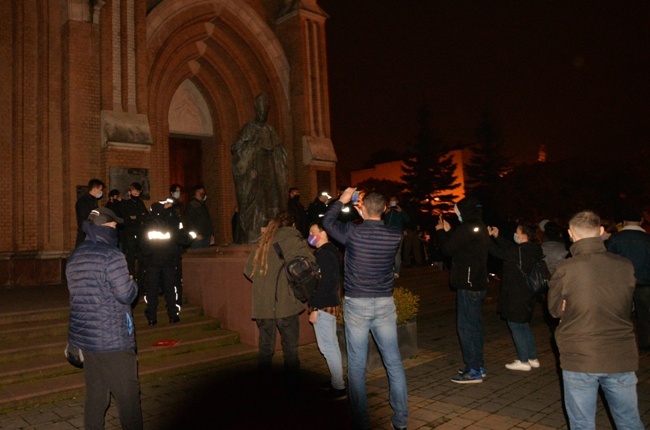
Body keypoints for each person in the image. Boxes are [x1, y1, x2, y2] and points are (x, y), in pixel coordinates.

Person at [548, 210, 644, 429]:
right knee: (629, 421)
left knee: (582, 423)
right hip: (620, 354)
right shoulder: (625, 266)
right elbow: (626, 305)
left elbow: (555, 310)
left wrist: (568, 304)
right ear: (601, 232)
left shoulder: (567, 268)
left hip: (580, 356)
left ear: (571, 234)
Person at [323, 188, 408, 430]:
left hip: (357, 304)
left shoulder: (352, 233)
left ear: (362, 208)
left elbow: (328, 222)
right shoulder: (394, 235)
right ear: (384, 209)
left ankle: (361, 421)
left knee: (357, 365)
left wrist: (342, 200)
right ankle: (400, 420)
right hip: (383, 303)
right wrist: (363, 211)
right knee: (393, 362)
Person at [66, 207, 142, 429]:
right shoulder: (112, 255)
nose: (116, 229)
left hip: (88, 342)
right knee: (128, 401)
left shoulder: (75, 256)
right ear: (104, 227)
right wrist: (132, 282)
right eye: (113, 226)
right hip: (113, 342)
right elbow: (125, 294)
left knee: (96, 398)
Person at [244, 212, 313, 398]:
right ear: (292, 224)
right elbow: (310, 265)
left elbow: (248, 270)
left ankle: (264, 388)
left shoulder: (264, 241)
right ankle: (292, 389)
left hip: (263, 307)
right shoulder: (293, 238)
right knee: (290, 350)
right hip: (286, 303)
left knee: (265, 350)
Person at [435, 196, 490, 384]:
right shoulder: (479, 226)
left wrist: (441, 232)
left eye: (457, 211)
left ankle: (473, 369)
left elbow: (448, 249)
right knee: (475, 326)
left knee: (466, 327)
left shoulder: (467, 228)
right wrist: (451, 232)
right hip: (477, 283)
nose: (457, 214)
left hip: (468, 284)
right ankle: (478, 365)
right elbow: (462, 247)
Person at [231, 93, 288, 244]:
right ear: (256, 109)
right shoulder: (249, 128)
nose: (263, 114)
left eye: (265, 111)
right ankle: (253, 236)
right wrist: (252, 148)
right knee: (255, 210)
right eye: (260, 111)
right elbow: (237, 149)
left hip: (270, 176)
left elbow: (280, 151)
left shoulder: (270, 130)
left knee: (273, 207)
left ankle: (273, 235)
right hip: (254, 178)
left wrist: (276, 151)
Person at [487, 222, 543, 371]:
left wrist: (485, 238)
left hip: (516, 294)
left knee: (516, 325)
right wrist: (497, 236)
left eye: (517, 232)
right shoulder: (532, 249)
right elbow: (510, 248)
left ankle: (523, 361)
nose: (515, 235)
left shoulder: (520, 252)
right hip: (528, 293)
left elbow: (498, 252)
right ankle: (532, 358)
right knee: (524, 325)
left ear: (524, 235)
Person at [306, 221, 346, 400]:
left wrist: (315, 307)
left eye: (313, 232)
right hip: (328, 303)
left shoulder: (324, 254)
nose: (310, 236)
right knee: (330, 346)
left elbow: (323, 283)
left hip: (324, 305)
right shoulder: (328, 252)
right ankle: (336, 380)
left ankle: (339, 386)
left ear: (323, 233)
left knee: (328, 347)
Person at [141, 200, 195, 325]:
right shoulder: (170, 225)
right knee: (170, 289)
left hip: (152, 263)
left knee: (152, 291)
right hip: (168, 262)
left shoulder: (147, 226)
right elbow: (182, 239)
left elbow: (143, 247)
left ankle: (152, 317)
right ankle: (173, 315)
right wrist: (192, 236)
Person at [607, 209, 650, 352]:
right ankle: (645, 343)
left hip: (621, 283)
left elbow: (610, 261)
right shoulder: (647, 239)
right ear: (641, 221)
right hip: (644, 282)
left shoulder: (616, 239)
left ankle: (621, 342)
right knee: (644, 315)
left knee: (621, 314)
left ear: (624, 222)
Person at [121, 182, 150, 287]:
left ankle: (141, 279)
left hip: (140, 234)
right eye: (134, 193)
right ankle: (131, 275)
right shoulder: (125, 203)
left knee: (142, 256)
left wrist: (137, 218)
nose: (136, 195)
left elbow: (146, 217)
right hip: (130, 233)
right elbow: (127, 219)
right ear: (130, 192)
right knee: (131, 256)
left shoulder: (140, 203)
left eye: (138, 193)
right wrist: (137, 219)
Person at [384, 196, 410, 278]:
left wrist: (401, 211)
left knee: (397, 252)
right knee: (387, 251)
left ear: (397, 201)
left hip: (398, 233)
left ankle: (396, 271)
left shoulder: (400, 210)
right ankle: (389, 269)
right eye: (391, 200)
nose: (392, 202)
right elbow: (383, 221)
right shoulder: (388, 211)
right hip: (388, 233)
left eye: (394, 200)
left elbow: (408, 220)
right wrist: (385, 212)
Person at [75, 178, 105, 246]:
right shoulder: (83, 202)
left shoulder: (93, 201)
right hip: (85, 234)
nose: (101, 192)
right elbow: (85, 219)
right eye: (100, 190)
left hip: (92, 233)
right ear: (94, 189)